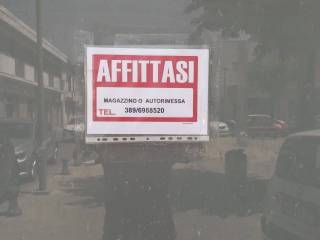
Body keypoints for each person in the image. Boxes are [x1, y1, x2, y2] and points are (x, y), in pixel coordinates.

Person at [0, 136, 22, 217]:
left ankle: (14, 209)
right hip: (13, 183)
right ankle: (14, 209)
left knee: (10, 192)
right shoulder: (8, 154)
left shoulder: (7, 155)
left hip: (11, 184)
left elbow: (7, 173)